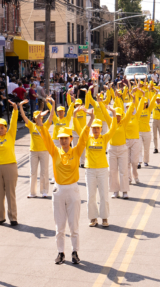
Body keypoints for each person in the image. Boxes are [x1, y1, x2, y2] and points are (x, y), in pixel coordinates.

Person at [35, 109, 92, 264]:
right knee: (60, 226)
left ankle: (75, 252)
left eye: (65, 138)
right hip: (59, 191)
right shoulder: (55, 152)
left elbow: (85, 136)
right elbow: (45, 136)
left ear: (71, 138)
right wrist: (40, 122)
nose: (63, 141)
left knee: (74, 225)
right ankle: (61, 252)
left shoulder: (76, 150)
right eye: (60, 138)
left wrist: (91, 119)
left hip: (73, 191)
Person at [76, 107, 116, 227]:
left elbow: (113, 128)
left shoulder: (104, 138)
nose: (96, 130)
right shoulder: (87, 139)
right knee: (91, 195)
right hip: (90, 170)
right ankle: (93, 218)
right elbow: (79, 129)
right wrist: (74, 115)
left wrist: (113, 114)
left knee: (104, 195)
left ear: (101, 128)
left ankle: (104, 218)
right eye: (94, 128)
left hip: (103, 169)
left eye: (98, 128)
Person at [18, 100, 50, 199]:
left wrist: (51, 104)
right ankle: (32, 192)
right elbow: (23, 116)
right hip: (33, 152)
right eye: (36, 117)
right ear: (34, 118)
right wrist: (20, 105)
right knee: (33, 172)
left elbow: (52, 115)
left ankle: (44, 191)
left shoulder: (45, 126)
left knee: (44, 172)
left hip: (44, 151)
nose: (38, 118)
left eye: (40, 117)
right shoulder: (31, 125)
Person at [107, 102, 136, 199]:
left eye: (119, 115)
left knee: (123, 171)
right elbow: (104, 112)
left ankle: (124, 191)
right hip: (112, 149)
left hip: (122, 149)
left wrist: (134, 100)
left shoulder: (124, 122)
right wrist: (100, 102)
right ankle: (115, 191)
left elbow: (129, 111)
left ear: (121, 116)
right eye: (116, 115)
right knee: (112, 171)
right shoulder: (110, 122)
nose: (118, 117)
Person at [138, 92, 158, 167]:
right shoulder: (138, 110)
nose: (144, 104)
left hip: (147, 132)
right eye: (143, 103)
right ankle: (139, 161)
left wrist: (156, 94)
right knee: (139, 148)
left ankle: (145, 161)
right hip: (139, 132)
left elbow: (152, 102)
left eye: (145, 103)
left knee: (146, 148)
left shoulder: (149, 110)